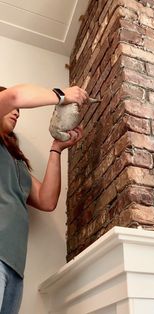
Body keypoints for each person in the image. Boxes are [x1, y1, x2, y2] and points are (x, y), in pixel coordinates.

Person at [0, 84, 88, 314]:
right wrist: (62, 95)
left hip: (14, 267)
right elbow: (15, 96)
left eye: (19, 110)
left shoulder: (15, 162)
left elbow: (46, 200)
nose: (18, 112)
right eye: (13, 109)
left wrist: (56, 149)